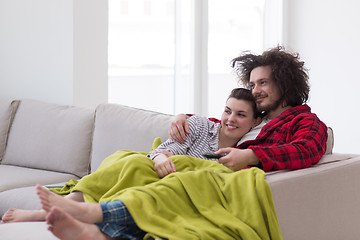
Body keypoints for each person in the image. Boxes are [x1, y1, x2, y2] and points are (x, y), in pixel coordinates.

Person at [1, 88, 262, 224]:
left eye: (240, 115)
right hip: (158, 168)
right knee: (133, 161)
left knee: (147, 194)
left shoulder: (245, 153)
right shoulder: (200, 125)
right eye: (228, 111)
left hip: (176, 187)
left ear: (254, 122)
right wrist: (160, 157)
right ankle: (66, 204)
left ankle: (66, 213)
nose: (230, 119)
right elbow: (169, 149)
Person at [169, 45, 328, 172]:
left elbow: (305, 150)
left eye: (263, 83)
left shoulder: (305, 121)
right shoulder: (257, 118)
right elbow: (222, 124)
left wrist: (251, 156)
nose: (255, 91)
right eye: (252, 85)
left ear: (284, 83)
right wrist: (183, 117)